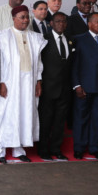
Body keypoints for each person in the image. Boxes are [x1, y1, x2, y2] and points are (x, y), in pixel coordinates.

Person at [0, 5, 46, 163]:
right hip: (10, 83)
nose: (25, 20)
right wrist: (1, 82)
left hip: (28, 84)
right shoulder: (3, 36)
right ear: (14, 19)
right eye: (22, 17)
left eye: (27, 17)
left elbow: (38, 62)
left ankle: (19, 149)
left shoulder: (34, 37)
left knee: (25, 114)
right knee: (6, 115)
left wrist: (38, 81)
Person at [71, 13, 98, 161]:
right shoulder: (79, 39)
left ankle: (94, 148)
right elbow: (74, 65)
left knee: (97, 120)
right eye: (97, 21)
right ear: (89, 24)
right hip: (84, 88)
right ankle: (79, 148)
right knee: (81, 119)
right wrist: (77, 85)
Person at [38, 12, 73, 161]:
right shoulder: (43, 40)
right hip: (48, 89)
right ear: (51, 23)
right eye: (58, 21)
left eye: (64, 21)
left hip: (65, 89)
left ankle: (56, 149)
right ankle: (43, 150)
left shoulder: (71, 40)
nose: (61, 24)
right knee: (45, 121)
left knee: (60, 122)